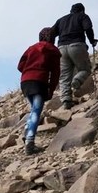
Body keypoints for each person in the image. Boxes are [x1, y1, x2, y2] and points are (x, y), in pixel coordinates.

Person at [18, 27, 62, 155]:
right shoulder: (53, 51)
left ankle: (27, 130)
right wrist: (51, 89)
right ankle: (30, 142)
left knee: (33, 109)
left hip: (25, 81)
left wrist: (29, 71)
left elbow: (20, 65)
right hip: (39, 81)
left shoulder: (31, 48)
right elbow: (55, 73)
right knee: (37, 110)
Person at [50, 3, 98, 109]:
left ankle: (66, 100)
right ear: (82, 10)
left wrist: (51, 47)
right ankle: (76, 81)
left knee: (64, 75)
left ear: (71, 10)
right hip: (77, 45)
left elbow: (51, 33)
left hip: (61, 48)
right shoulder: (83, 16)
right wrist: (92, 41)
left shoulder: (61, 20)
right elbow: (88, 28)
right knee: (85, 70)